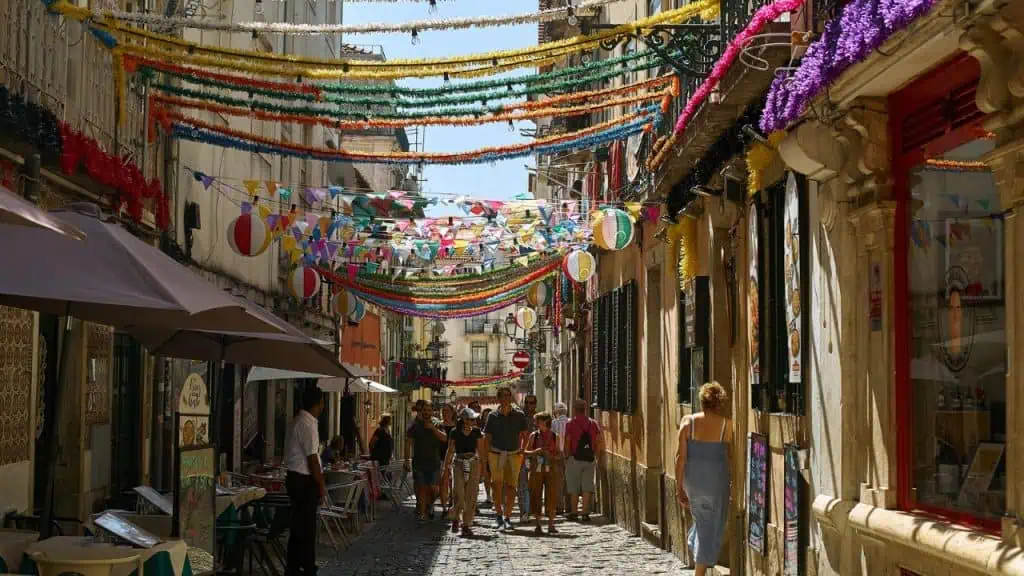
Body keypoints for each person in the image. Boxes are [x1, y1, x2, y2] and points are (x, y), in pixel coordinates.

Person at [676, 382, 733, 576]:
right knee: (712, 524)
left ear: (701, 401)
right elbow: (731, 456)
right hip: (717, 481)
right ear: (719, 403)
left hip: (693, 481)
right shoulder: (727, 424)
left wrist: (679, 487)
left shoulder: (687, 422)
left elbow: (680, 458)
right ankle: (699, 571)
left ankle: (694, 542)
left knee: (702, 521)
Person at [284, 388, 326, 576]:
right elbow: (312, 459)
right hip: (303, 480)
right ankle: (306, 567)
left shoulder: (297, 421)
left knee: (299, 526)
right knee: (307, 527)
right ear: (318, 403)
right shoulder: (307, 425)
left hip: (296, 478)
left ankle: (293, 566)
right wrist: (321, 485)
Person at [483, 387, 529, 531]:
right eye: (503, 395)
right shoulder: (492, 416)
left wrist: (523, 449)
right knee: (496, 485)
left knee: (511, 486)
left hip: (514, 454)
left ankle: (507, 517)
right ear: (499, 398)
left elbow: (525, 434)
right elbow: (487, 437)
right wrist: (486, 456)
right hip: (496, 453)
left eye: (508, 395)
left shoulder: (519, 415)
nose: (506, 398)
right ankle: (498, 515)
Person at [444, 407, 485, 536]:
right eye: (470, 419)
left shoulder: (477, 432)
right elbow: (450, 450)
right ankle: (456, 516)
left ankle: (466, 524)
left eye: (474, 419)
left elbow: (481, 449)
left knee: (471, 495)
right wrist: (446, 467)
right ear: (464, 420)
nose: (473, 421)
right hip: (459, 463)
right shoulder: (455, 432)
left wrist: (483, 467)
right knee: (459, 493)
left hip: (473, 462)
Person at [405, 402, 447, 521]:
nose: (427, 412)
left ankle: (430, 504)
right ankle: (423, 514)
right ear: (421, 411)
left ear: (432, 411)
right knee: (422, 488)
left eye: (429, 410)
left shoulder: (438, 424)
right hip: (419, 462)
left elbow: (444, 438)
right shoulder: (415, 425)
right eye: (425, 410)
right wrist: (407, 460)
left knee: (434, 488)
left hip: (434, 462)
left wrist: (433, 429)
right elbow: (408, 444)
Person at [565, 398, 603, 522]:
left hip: (575, 458)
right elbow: (598, 441)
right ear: (585, 409)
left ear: (574, 409)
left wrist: (567, 456)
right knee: (587, 486)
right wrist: (596, 456)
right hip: (589, 459)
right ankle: (585, 512)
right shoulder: (593, 423)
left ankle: (574, 511)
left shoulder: (570, 424)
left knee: (574, 486)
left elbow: (568, 441)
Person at [525, 412, 561, 534]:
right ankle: (538, 524)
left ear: (545, 422)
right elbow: (526, 452)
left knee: (551, 495)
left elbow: (559, 454)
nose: (535, 423)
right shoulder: (533, 436)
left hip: (551, 469)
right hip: (537, 469)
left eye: (537, 421)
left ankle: (551, 524)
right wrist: (536, 451)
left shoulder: (555, 436)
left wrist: (551, 455)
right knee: (536, 495)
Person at [518, 394, 538, 522]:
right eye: (527, 403)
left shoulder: (539, 418)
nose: (529, 405)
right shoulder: (519, 417)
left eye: (531, 403)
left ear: (535, 404)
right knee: (522, 485)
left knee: (534, 485)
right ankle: (524, 512)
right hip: (521, 455)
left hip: (536, 456)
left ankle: (533, 511)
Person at [550, 402, 569, 514]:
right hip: (568, 454)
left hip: (557, 454)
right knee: (568, 481)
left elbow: (552, 438)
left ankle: (559, 507)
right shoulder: (571, 422)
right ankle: (569, 507)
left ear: (556, 412)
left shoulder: (554, 423)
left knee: (558, 482)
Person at [438, 403, 457, 515]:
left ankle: (452, 502)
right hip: (441, 456)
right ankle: (444, 506)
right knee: (444, 482)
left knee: (453, 482)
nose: (445, 413)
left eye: (448, 411)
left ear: (452, 412)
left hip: (454, 456)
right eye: (443, 411)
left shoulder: (457, 426)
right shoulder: (438, 425)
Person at [339, 381, 366, 457]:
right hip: (349, 448)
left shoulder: (342, 417)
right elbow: (358, 434)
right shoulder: (352, 419)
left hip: (344, 447)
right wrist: (363, 451)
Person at [479, 407, 493, 508]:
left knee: (493, 476)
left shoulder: (495, 426)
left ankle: (492, 494)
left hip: (493, 453)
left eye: (489, 415)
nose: (487, 417)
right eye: (485, 415)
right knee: (486, 475)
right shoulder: (479, 427)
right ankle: (488, 494)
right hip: (483, 454)